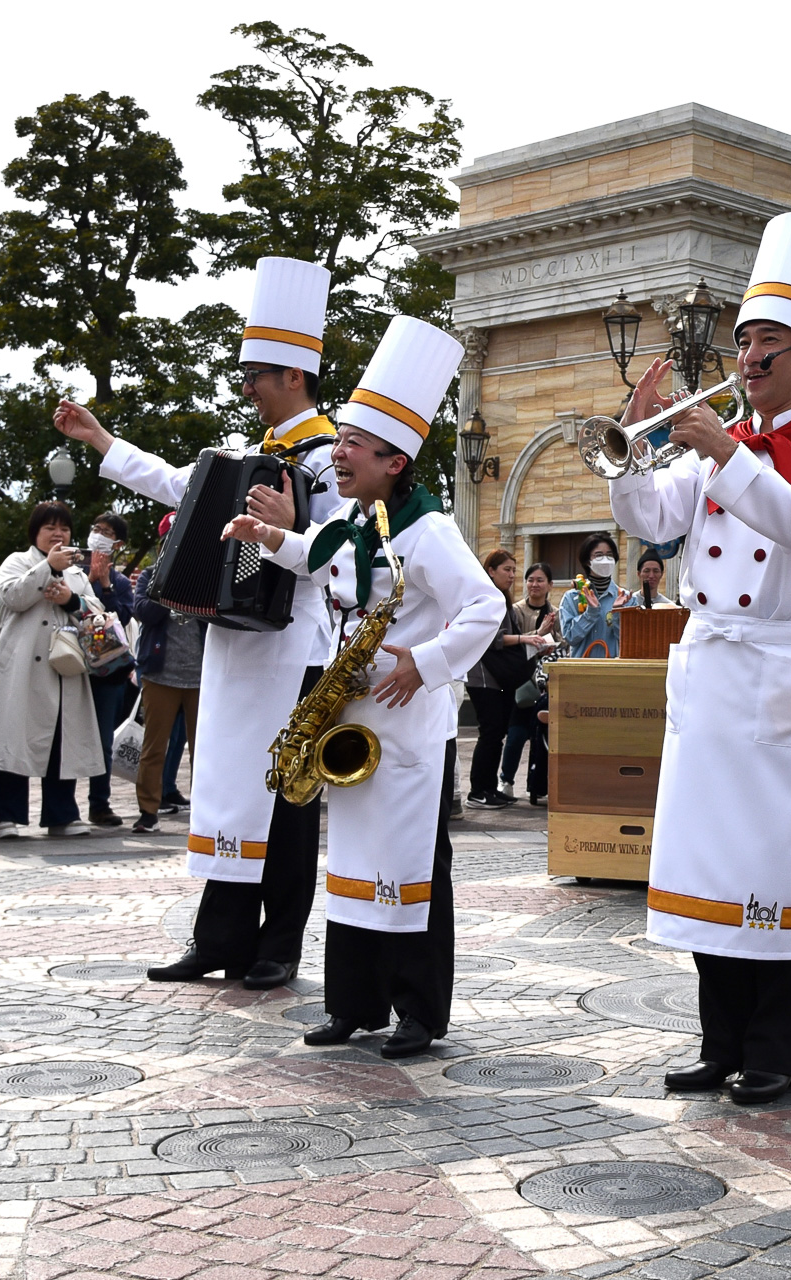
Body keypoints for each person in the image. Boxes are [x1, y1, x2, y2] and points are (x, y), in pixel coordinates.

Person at [609, 211, 791, 1105]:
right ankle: (719, 1041)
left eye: (769, 342)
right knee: (711, 866)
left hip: (788, 678)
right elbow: (651, 523)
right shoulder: (716, 445)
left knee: (782, 870)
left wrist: (723, 449)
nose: (749, 355)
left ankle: (773, 1051)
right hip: (714, 674)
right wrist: (634, 451)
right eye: (746, 338)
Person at [54, 257, 337, 990]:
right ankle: (220, 938)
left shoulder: (332, 460)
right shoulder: (254, 456)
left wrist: (286, 534)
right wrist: (101, 442)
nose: (245, 389)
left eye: (256, 377)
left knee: (288, 800)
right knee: (224, 790)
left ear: (295, 378)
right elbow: (177, 482)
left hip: (296, 650)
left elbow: (343, 562)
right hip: (235, 650)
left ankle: (280, 944)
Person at [224, 314, 501, 1059]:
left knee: (411, 867)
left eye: (352, 444)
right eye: (340, 438)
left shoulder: (429, 531)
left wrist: (428, 663)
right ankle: (353, 1005)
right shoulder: (353, 517)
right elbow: (318, 554)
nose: (337, 454)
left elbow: (486, 605)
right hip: (350, 714)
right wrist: (266, 539)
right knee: (351, 859)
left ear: (396, 460)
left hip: (408, 723)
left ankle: (418, 1010)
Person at [0, 502, 103, 839]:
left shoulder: (76, 574)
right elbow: (12, 597)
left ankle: (62, 815)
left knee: (61, 741)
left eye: (64, 528)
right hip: (21, 672)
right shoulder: (17, 561)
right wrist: (46, 568)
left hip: (64, 671)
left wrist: (71, 600)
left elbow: (98, 614)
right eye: (50, 528)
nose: (58, 534)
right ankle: (5, 817)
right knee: (13, 740)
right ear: (35, 533)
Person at [131, 546, 204, 833]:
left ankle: (203, 810)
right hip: (159, 675)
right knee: (153, 747)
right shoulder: (150, 576)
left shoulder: (204, 579)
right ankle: (148, 811)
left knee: (202, 749)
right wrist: (168, 584)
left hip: (201, 676)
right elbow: (143, 612)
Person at [81, 512, 135, 828]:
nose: (99, 535)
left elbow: (123, 618)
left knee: (103, 741)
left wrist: (104, 584)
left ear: (118, 543)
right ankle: (62, 806)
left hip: (108, 671)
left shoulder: (120, 582)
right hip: (74, 668)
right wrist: (87, 581)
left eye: (107, 532)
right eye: (96, 528)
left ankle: (99, 804)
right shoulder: (73, 571)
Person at [463, 549, 523, 810]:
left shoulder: (502, 598)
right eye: (506, 570)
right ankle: (478, 791)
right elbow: (492, 638)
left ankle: (489, 788)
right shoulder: (484, 597)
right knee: (489, 733)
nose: (511, 575)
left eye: (513, 570)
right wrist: (525, 639)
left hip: (498, 678)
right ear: (490, 570)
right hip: (483, 677)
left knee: (497, 733)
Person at [501, 563, 557, 805]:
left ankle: (536, 785)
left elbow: (560, 644)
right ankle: (506, 781)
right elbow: (513, 643)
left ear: (550, 585)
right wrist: (540, 632)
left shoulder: (555, 613)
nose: (535, 585)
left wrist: (550, 641)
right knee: (515, 735)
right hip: (520, 682)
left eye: (540, 580)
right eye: (530, 579)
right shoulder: (515, 611)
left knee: (540, 736)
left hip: (545, 684)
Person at [558, 533, 631, 657]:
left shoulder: (626, 597)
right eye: (599, 555)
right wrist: (590, 613)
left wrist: (618, 613)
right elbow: (570, 637)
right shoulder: (571, 598)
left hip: (612, 671)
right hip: (580, 671)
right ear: (587, 561)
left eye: (609, 555)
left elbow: (630, 640)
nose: (605, 560)